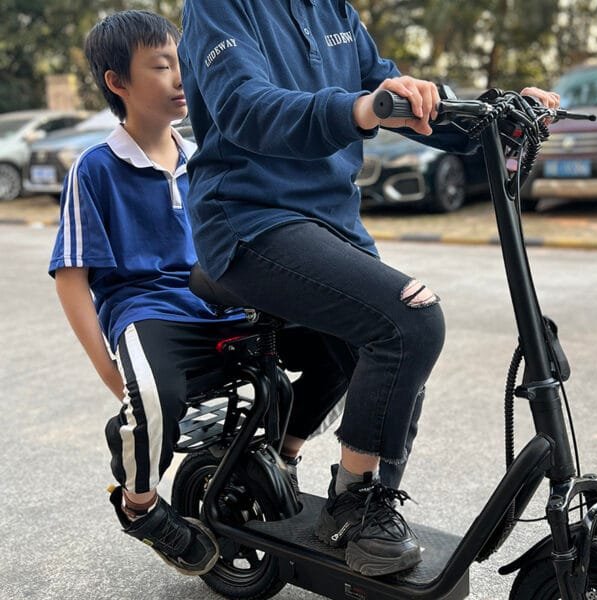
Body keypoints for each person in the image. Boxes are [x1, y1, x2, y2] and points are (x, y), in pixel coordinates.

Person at [178, 0, 561, 577]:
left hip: (331, 224)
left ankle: (297, 463)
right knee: (410, 322)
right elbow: (244, 107)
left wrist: (501, 116)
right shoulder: (220, 7)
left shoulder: (333, 10)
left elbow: (401, 96)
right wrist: (358, 108)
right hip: (249, 220)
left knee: (392, 362)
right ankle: (355, 507)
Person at [49, 10, 246, 577]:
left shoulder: (202, 158)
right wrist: (115, 377)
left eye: (182, 63)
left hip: (217, 300)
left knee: (339, 337)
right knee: (152, 397)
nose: (181, 78)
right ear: (118, 82)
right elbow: (72, 277)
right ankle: (140, 507)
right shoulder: (94, 169)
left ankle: (282, 459)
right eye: (161, 67)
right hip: (146, 310)